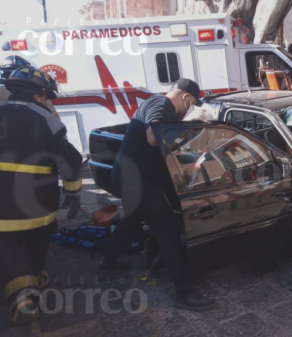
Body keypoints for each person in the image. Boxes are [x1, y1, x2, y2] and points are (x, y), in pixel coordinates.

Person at [98, 78, 216, 312]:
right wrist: (188, 121)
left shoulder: (163, 108)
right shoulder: (161, 105)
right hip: (136, 180)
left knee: (132, 219)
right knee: (167, 226)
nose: (189, 109)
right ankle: (183, 292)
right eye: (191, 104)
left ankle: (107, 264)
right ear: (185, 98)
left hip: (132, 176)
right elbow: (154, 137)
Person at [0, 66, 82, 326]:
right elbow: (71, 159)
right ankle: (26, 293)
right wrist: (73, 192)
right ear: (39, 95)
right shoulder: (47, 119)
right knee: (35, 249)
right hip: (38, 206)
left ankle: (21, 296)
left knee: (9, 250)